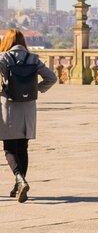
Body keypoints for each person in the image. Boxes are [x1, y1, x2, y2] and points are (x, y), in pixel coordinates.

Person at [0, 29, 57, 203]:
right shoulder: (33, 58)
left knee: (9, 148)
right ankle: (19, 185)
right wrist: (36, 90)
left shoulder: (3, 58)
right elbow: (52, 78)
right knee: (22, 147)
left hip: (9, 106)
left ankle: (19, 179)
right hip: (28, 109)